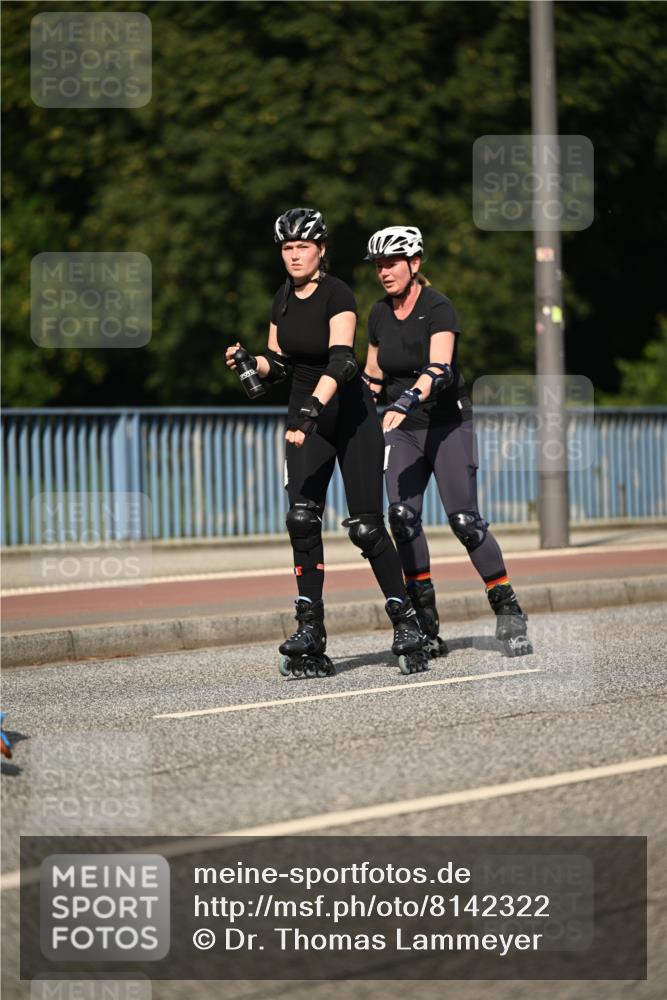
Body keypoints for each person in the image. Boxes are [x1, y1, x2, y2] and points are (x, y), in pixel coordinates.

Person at [226, 208, 429, 677]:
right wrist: (246, 360)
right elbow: (278, 365)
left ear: (321, 251)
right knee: (301, 518)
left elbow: (341, 362)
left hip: (349, 416)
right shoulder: (281, 298)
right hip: (307, 417)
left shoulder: (339, 293)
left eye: (303, 247)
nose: (294, 255)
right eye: (287, 248)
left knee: (365, 526)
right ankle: (310, 630)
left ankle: (407, 623)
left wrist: (310, 411)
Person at [362, 225, 532, 657]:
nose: (384, 272)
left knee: (464, 521)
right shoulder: (379, 314)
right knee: (401, 517)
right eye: (379, 265)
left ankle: (509, 612)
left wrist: (406, 398)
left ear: (415, 264)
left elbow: (439, 368)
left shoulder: (439, 307)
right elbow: (371, 380)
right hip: (403, 431)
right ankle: (424, 622)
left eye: (392, 263)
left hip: (446, 425)